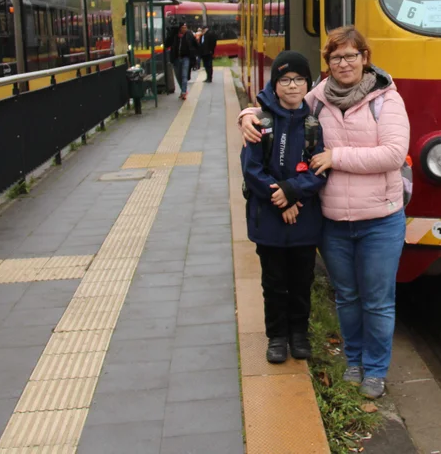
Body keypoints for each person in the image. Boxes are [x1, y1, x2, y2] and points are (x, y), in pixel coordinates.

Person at [239, 27, 410, 399]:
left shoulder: (387, 99)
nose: (344, 63)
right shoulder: (318, 98)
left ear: (365, 58)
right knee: (346, 296)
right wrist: (247, 115)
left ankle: (375, 371)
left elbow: (394, 154)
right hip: (333, 219)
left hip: (380, 218)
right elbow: (281, 104)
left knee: (378, 299)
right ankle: (353, 361)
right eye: (336, 58)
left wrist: (337, 157)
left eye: (351, 56)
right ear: (327, 65)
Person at [241, 51, 327, 364]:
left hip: (303, 218)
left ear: (307, 84)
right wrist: (280, 200)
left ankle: (298, 334)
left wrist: (293, 194)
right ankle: (276, 336)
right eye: (285, 80)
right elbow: (251, 170)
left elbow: (320, 171)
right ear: (275, 84)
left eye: (299, 79)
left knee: (302, 281)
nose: (293, 86)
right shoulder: (260, 122)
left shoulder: (313, 124)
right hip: (270, 219)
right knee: (274, 282)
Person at [170, 22, 198, 100]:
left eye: (186, 27)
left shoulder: (189, 34)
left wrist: (195, 53)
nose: (185, 29)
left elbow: (195, 44)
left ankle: (183, 92)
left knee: (184, 75)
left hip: (186, 58)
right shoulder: (174, 35)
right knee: (178, 76)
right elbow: (167, 43)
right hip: (176, 58)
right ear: (179, 28)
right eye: (183, 27)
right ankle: (183, 90)